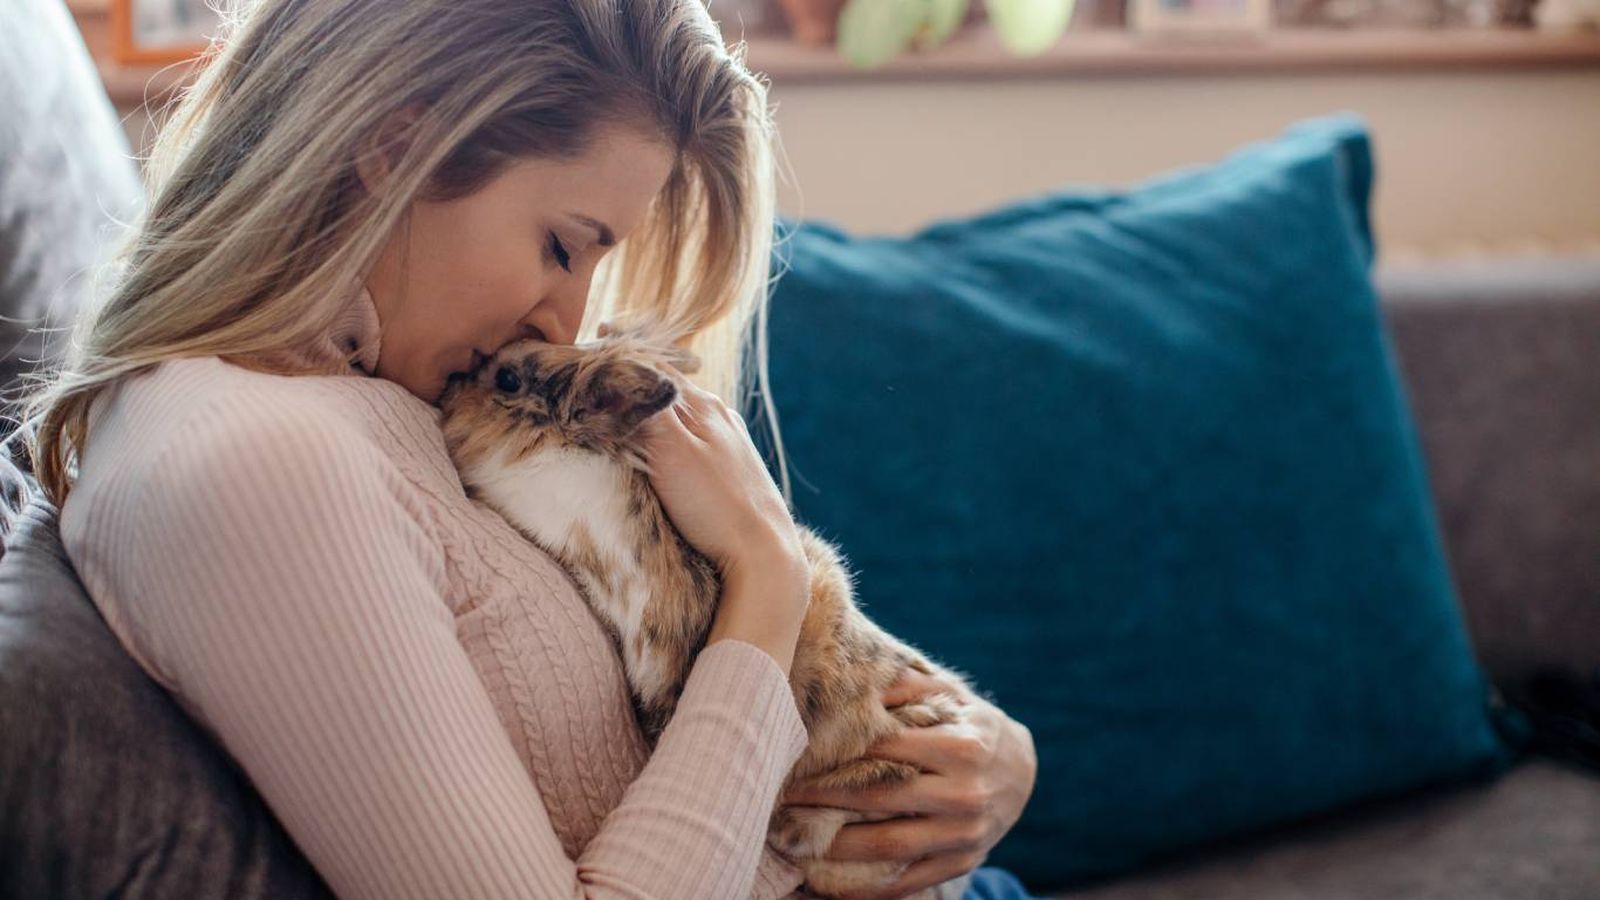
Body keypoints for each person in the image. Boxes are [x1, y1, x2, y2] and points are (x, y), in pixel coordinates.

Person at [21, 1, 1038, 897]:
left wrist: (993, 756)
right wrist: (764, 580)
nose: (565, 322)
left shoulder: (389, 385)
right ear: (393, 147)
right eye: (562, 244)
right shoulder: (257, 461)